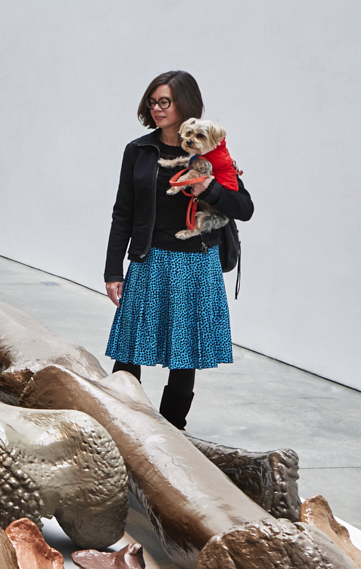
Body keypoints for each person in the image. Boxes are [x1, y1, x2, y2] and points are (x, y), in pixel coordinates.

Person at [104, 70, 253, 429]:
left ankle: (172, 430)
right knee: (129, 348)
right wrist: (112, 271)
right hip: (148, 259)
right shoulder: (139, 151)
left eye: (165, 102)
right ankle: (118, 421)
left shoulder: (214, 154)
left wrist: (210, 190)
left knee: (184, 356)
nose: (157, 109)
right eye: (152, 102)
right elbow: (123, 211)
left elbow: (244, 208)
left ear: (184, 104)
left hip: (195, 262)